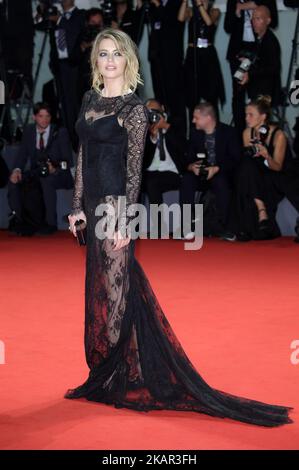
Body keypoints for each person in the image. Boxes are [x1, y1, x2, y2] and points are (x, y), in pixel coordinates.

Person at [65, 28, 293, 427]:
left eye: (117, 54)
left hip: (116, 206)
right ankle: (109, 369)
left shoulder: (133, 109)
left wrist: (128, 220)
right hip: (92, 203)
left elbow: (133, 170)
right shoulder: (89, 100)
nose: (110, 61)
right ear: (95, 61)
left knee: (117, 290)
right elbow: (82, 153)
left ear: (128, 60)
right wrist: (76, 206)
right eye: (103, 54)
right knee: (102, 286)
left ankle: (122, 373)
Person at [235, 95, 299, 241]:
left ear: (263, 117)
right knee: (245, 167)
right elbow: (250, 161)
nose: (247, 118)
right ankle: (260, 210)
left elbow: (277, 167)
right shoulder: (247, 133)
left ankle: (260, 214)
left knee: (247, 173)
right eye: (246, 114)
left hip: (278, 175)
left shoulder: (278, 135)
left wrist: (266, 155)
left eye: (251, 115)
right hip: (257, 176)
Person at [8, 102, 74, 235]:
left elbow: (68, 160)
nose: (44, 119)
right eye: (41, 116)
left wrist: (55, 168)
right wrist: (16, 170)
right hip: (37, 172)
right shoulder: (29, 131)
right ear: (34, 117)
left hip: (60, 175)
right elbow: (22, 155)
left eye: (47, 116)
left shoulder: (60, 132)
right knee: (14, 181)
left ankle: (51, 223)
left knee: (47, 180)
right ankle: (19, 219)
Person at [180, 102, 241, 240]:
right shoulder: (195, 134)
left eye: (196, 117)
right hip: (200, 174)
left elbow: (235, 158)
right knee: (187, 180)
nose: (193, 120)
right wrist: (192, 167)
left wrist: (216, 168)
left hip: (221, 173)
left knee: (221, 182)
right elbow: (186, 160)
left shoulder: (229, 133)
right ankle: (186, 227)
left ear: (207, 118)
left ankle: (223, 227)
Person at [224, 0, 278, 139]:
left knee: (256, 104)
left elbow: (271, 67)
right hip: (255, 77)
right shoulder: (260, 39)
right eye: (253, 18)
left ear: (267, 20)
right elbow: (228, 26)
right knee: (238, 93)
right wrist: (247, 62)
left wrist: (250, 73)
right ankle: (242, 136)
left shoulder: (269, 41)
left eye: (258, 19)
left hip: (264, 87)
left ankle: (258, 137)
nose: (254, 22)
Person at [143, 98, 185, 235]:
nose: (152, 115)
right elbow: (141, 157)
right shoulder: (144, 126)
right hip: (150, 171)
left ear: (162, 108)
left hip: (171, 171)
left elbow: (183, 146)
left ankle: (159, 227)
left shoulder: (175, 123)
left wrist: (166, 127)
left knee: (153, 182)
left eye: (154, 111)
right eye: (149, 112)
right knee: (144, 181)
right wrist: (152, 138)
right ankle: (139, 227)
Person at [178, 0, 225, 122]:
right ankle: (194, 129)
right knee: (192, 94)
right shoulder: (191, 11)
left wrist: (199, 5)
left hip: (208, 55)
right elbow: (180, 18)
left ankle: (214, 128)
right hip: (193, 54)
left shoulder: (215, 11)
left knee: (211, 95)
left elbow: (209, 22)